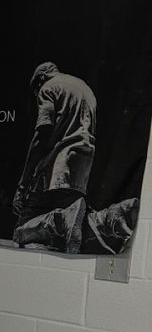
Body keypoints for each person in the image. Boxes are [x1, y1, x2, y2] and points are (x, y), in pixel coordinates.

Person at [12, 62, 138, 254]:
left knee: (21, 231)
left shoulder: (48, 87)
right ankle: (107, 218)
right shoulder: (84, 87)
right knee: (67, 230)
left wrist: (23, 183)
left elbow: (42, 133)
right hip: (84, 160)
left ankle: (61, 219)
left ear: (40, 80)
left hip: (57, 162)